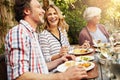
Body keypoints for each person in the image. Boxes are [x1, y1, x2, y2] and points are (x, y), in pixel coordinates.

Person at [5, 0, 88, 80]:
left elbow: (41, 68)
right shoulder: (19, 32)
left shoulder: (32, 34)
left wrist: (60, 60)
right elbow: (20, 76)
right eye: (38, 7)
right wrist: (63, 76)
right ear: (27, 11)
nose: (43, 11)